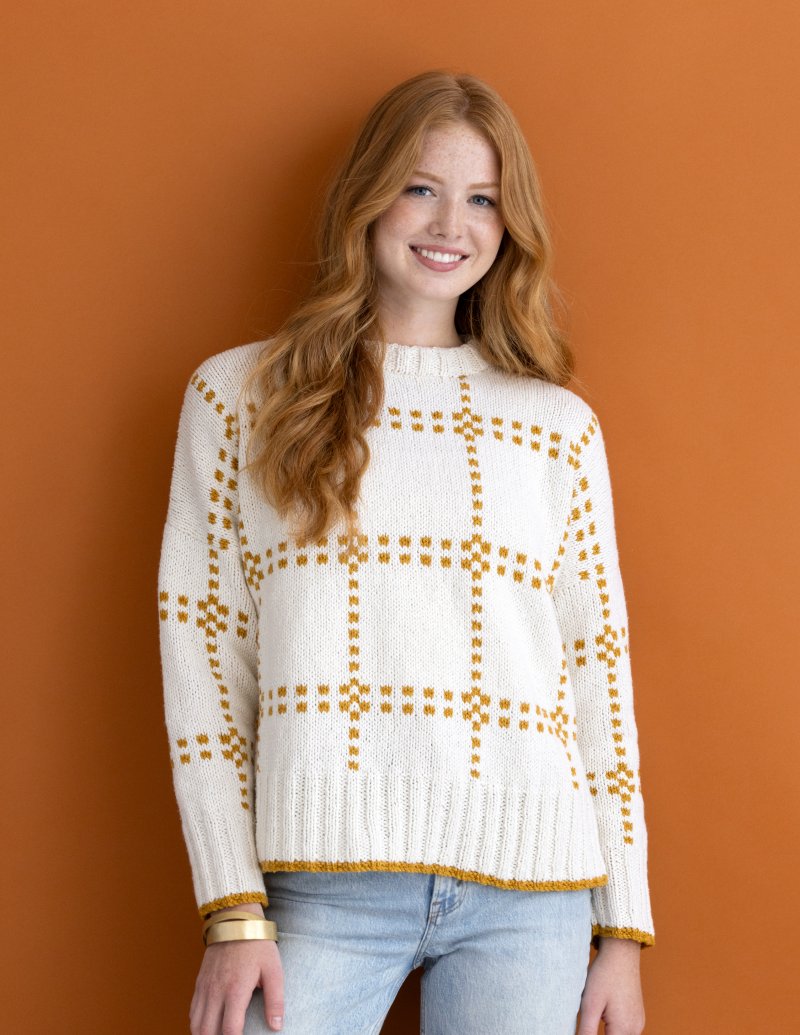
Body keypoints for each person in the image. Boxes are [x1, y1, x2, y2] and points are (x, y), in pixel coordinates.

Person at [157, 69, 655, 1035]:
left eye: (483, 200)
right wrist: (232, 909)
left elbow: (598, 674)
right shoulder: (239, 399)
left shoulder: (557, 428)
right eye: (421, 187)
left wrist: (622, 932)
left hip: (532, 898)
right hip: (323, 892)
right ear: (368, 195)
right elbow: (204, 663)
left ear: (510, 224)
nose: (450, 224)